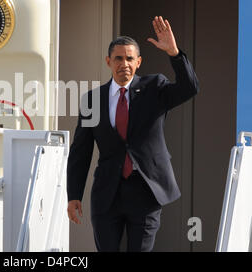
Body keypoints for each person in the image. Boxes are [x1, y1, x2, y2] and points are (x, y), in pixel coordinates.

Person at [66, 16, 199, 252]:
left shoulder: (154, 88)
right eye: (118, 58)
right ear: (108, 61)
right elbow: (81, 150)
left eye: (129, 58)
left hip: (146, 190)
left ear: (138, 62)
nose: (124, 64)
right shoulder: (93, 100)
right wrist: (73, 194)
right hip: (108, 194)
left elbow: (189, 87)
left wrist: (174, 54)